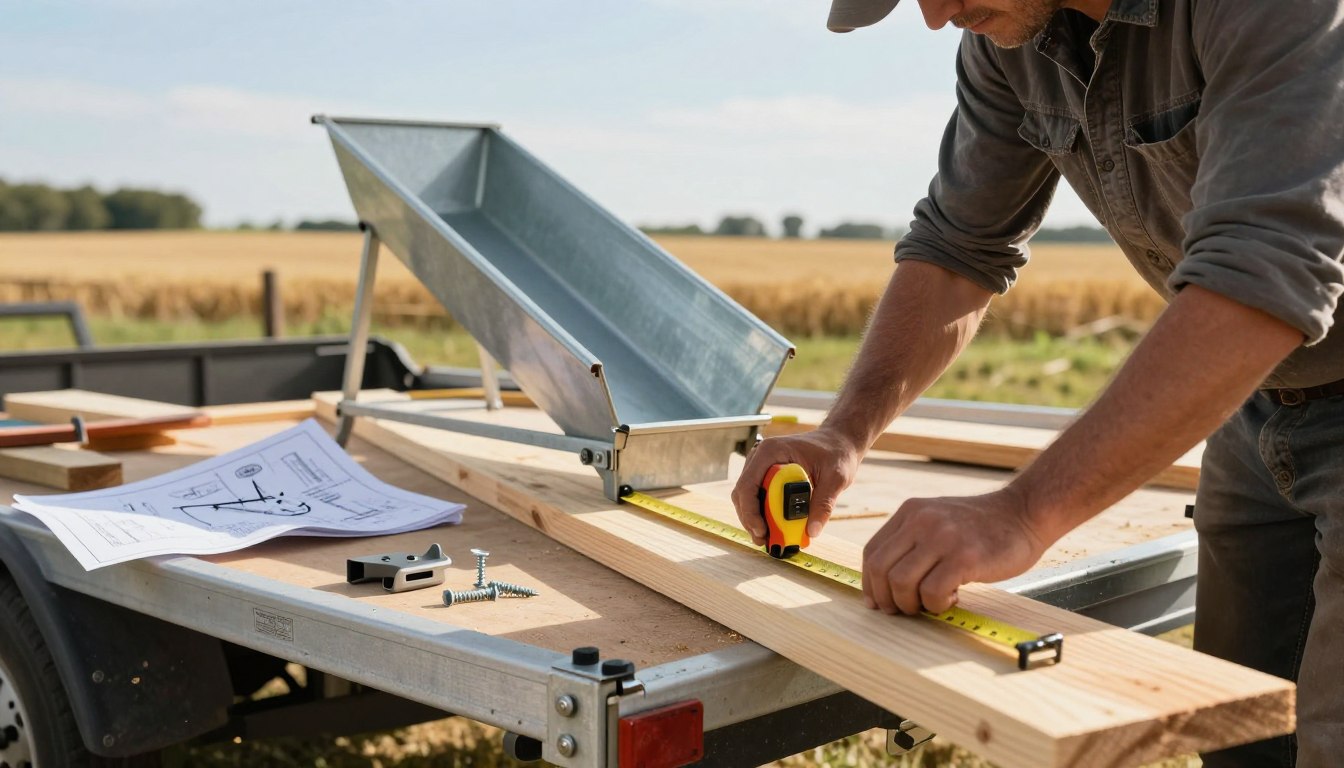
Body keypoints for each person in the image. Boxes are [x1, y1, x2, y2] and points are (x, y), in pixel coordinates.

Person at [730, 0, 1344, 764]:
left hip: (1271, 344)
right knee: (1240, 734)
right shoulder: (1008, 38)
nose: (934, 17)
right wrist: (843, 433)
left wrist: (1021, 513)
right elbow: (960, 246)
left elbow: (1266, 269)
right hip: (1250, 400)